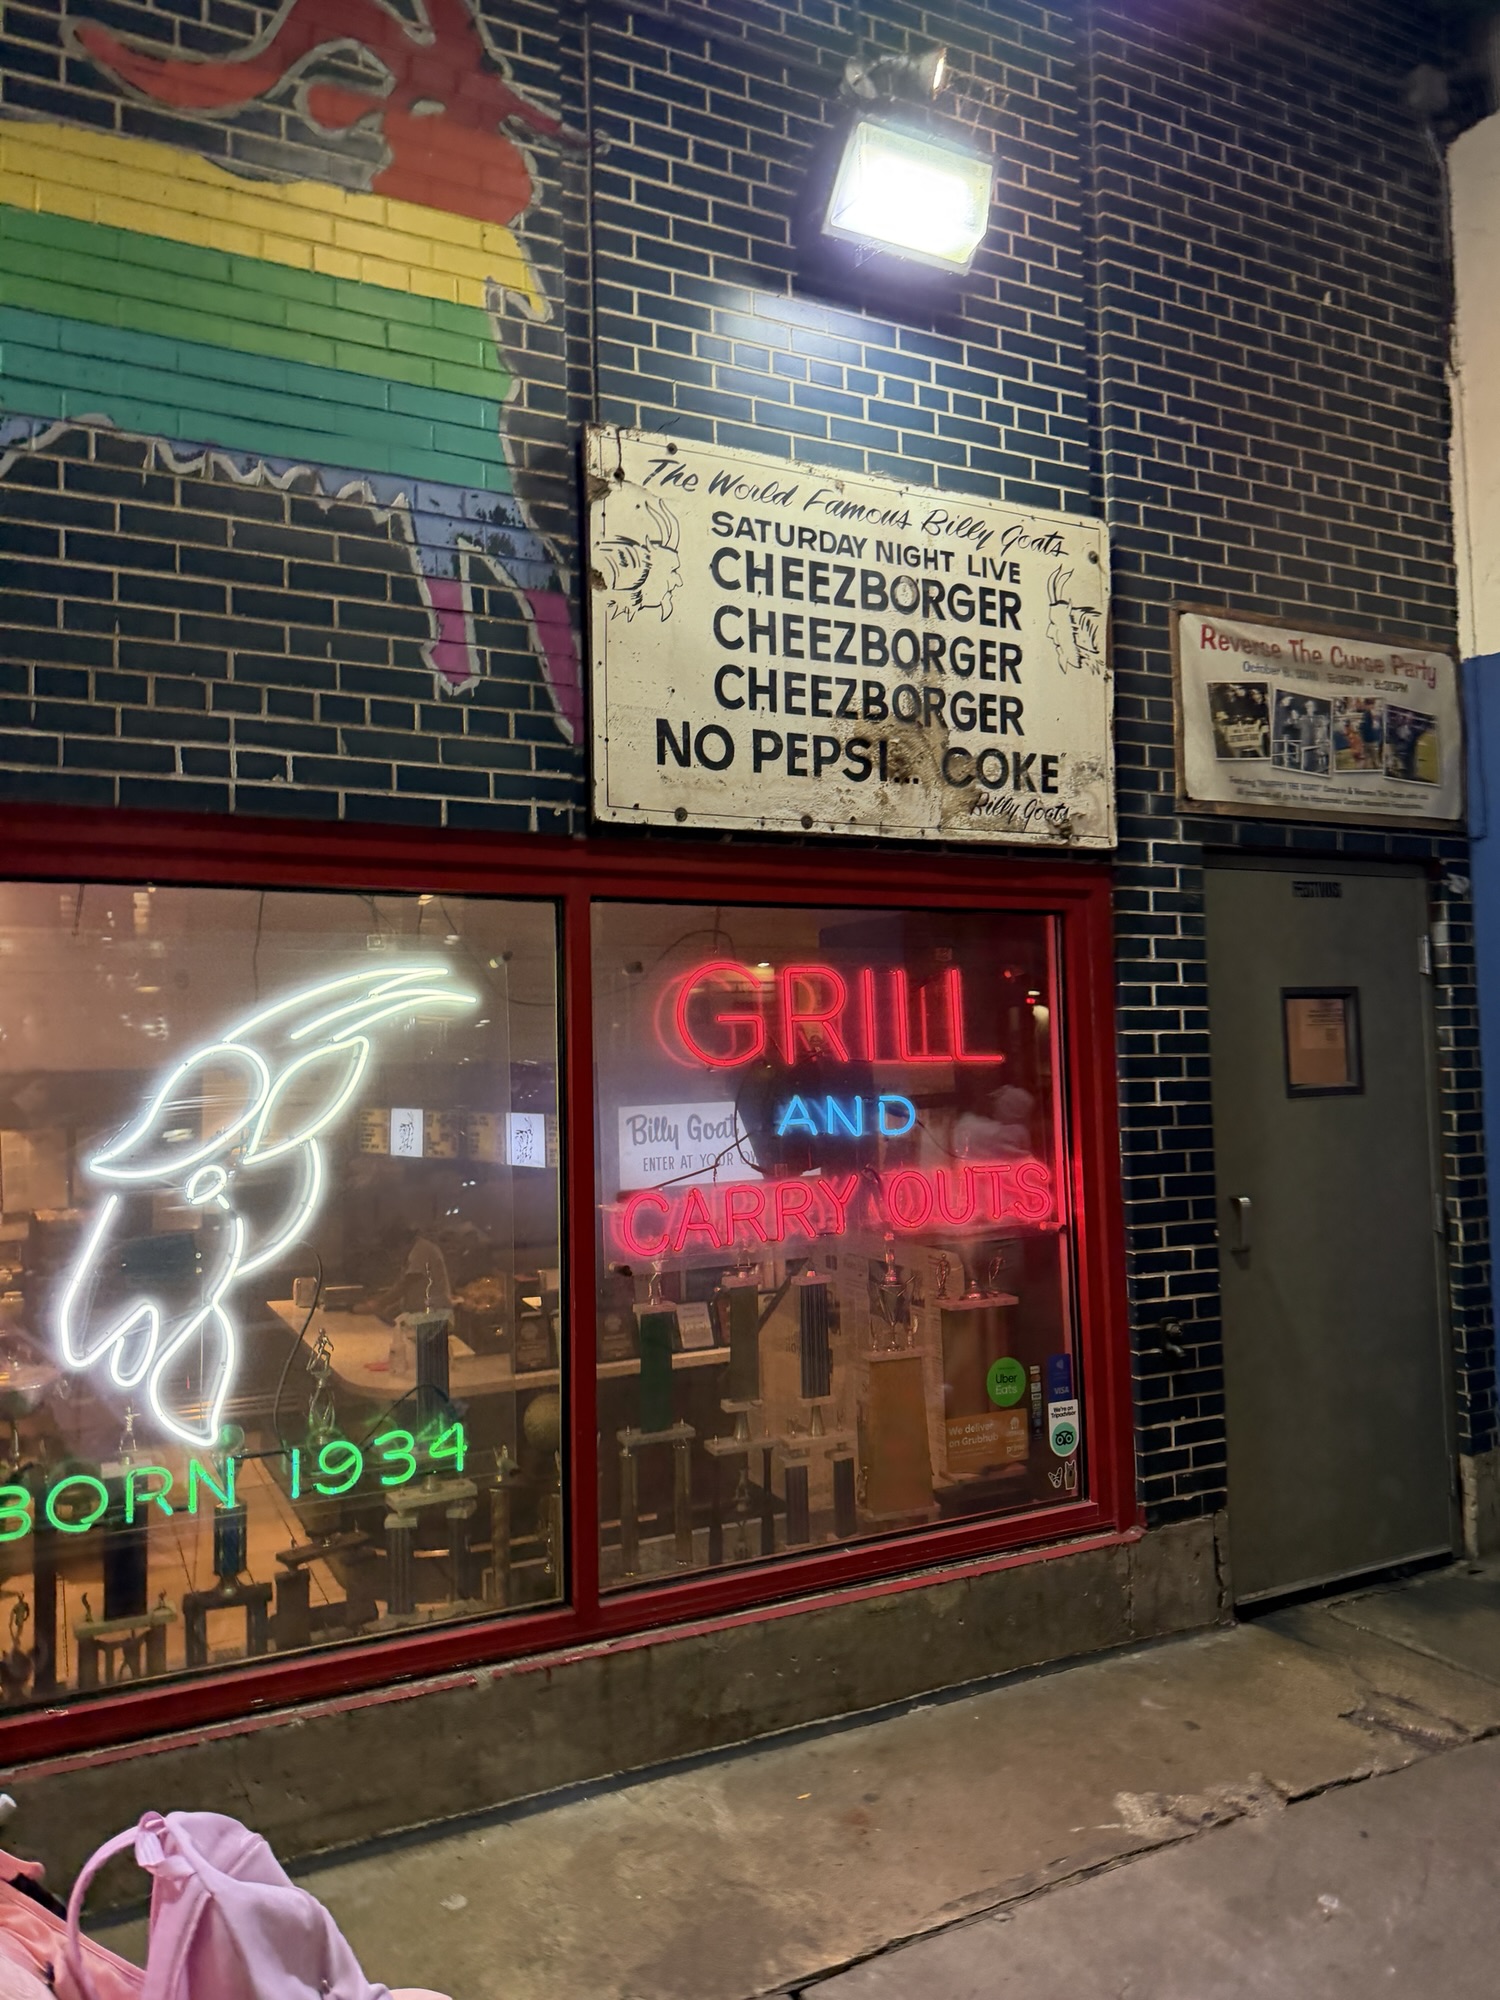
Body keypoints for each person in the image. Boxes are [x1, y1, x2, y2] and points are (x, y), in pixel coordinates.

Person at [364, 1224, 454, 1323]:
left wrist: (379, 1303)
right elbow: (414, 1290)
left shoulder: (421, 1250)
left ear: (401, 1243)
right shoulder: (416, 1250)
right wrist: (395, 1306)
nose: (395, 1257)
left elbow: (405, 1284)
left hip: (434, 1316)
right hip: (425, 1313)